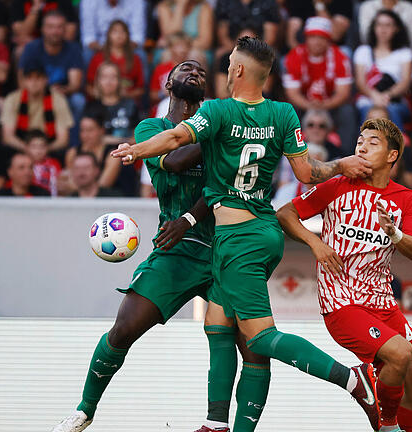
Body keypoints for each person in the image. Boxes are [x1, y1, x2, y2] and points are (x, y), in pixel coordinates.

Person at [112, 36, 383, 431]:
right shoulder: (284, 113)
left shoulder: (219, 112)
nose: (223, 72)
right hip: (256, 231)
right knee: (218, 325)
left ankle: (354, 379)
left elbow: (173, 140)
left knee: (258, 339)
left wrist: (137, 151)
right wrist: (341, 163)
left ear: (237, 70)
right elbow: (308, 175)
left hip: (239, 238)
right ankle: (216, 424)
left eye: (227, 66)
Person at [51, 60, 266, 432]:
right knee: (124, 327)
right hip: (177, 248)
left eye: (200, 70)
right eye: (185, 69)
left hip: (226, 247)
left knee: (253, 347)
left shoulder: (219, 124)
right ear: (169, 83)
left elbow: (222, 188)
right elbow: (177, 161)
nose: (194, 72)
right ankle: (85, 410)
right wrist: (219, 135)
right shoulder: (153, 129)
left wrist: (193, 215)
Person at [276, 118, 412, 432]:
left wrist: (395, 234)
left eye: (373, 142)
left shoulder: (407, 200)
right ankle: (387, 426)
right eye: (360, 140)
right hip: (342, 304)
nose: (362, 145)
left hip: (384, 304)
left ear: (392, 155)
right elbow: (285, 214)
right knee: (399, 353)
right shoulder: (337, 186)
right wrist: (315, 242)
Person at [283, 17, 357, 155]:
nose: (317, 41)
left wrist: (324, 105)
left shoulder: (339, 56)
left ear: (328, 40)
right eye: (312, 37)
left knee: (347, 112)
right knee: (288, 111)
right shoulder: (294, 56)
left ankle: (346, 154)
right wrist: (310, 105)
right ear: (306, 38)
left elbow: (343, 93)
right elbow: (292, 94)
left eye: (322, 37)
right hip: (304, 105)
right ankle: (289, 153)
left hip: (331, 105)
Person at [18, 10, 85, 125]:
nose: (55, 31)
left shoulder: (73, 49)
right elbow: (22, 82)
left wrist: (60, 91)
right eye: (50, 27)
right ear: (42, 29)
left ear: (65, 29)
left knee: (78, 101)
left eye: (59, 27)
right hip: (35, 93)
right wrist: (43, 92)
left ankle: (74, 141)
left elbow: (75, 84)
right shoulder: (31, 48)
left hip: (63, 94)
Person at [352, 10, 412, 131]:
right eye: (379, 24)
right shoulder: (363, 51)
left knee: (391, 111)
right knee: (370, 112)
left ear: (396, 28)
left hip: (394, 101)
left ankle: (396, 148)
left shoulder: (404, 52)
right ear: (373, 28)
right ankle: (365, 149)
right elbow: (360, 82)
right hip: (368, 100)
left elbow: (405, 82)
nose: (383, 29)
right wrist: (374, 96)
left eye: (388, 25)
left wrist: (387, 95)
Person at [1, 65, 74, 153]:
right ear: (23, 81)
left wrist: (42, 150)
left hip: (49, 147)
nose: (34, 82)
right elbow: (8, 137)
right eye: (29, 78)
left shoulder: (58, 99)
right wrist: (30, 150)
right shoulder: (12, 98)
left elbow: (63, 140)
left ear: (46, 80)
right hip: (21, 146)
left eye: (38, 78)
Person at [63, 113, 121, 194]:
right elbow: (70, 181)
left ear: (102, 130)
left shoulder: (113, 155)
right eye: (82, 130)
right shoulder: (72, 153)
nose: (85, 135)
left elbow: (103, 186)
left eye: (90, 130)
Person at [86, 20, 145, 101]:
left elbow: (140, 89)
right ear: (108, 35)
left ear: (128, 35)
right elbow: (89, 86)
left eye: (122, 32)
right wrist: (102, 95)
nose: (119, 35)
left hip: (127, 102)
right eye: (115, 32)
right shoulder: (98, 58)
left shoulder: (135, 59)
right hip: (102, 102)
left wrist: (127, 94)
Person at [85, 62, 139, 145]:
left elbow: (137, 138)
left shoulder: (130, 105)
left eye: (113, 77)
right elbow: (88, 139)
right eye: (104, 77)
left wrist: (113, 141)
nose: (108, 82)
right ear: (98, 81)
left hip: (127, 153)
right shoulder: (91, 107)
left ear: (119, 80)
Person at [79, 0, 145, 57]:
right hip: (99, 47)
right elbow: (89, 38)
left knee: (140, 54)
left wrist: (119, 49)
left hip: (126, 46)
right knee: (87, 55)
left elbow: (137, 37)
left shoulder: (137, 1)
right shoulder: (88, 1)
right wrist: (108, 50)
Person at [271, 142, 329, 209]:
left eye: (316, 164)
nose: (312, 169)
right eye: (308, 164)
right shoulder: (286, 191)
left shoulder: (331, 192)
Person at [214, 0, 280, 54]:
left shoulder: (268, 2)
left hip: (260, 49)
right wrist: (237, 52)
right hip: (232, 48)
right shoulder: (224, 2)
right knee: (220, 53)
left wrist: (255, 52)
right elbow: (223, 37)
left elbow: (270, 38)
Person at [285, 0, 353, 49]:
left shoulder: (343, 2)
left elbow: (335, 35)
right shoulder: (299, 2)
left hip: (333, 50)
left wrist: (319, 5)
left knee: (345, 51)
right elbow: (291, 40)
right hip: (305, 50)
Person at [10, 0, 78, 49]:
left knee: (73, 49)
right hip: (29, 48)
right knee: (20, 51)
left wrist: (38, 43)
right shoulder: (18, 2)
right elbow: (22, 33)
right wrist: (36, 8)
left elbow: (69, 35)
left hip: (58, 46)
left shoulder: (64, 2)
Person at [150, 32, 192, 106]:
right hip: (164, 108)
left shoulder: (194, 70)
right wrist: (165, 93)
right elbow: (153, 95)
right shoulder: (161, 69)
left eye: (186, 46)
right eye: (179, 46)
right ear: (170, 48)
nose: (183, 50)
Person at [25, 130, 61, 195]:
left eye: (42, 146)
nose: (38, 151)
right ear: (27, 148)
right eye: (34, 147)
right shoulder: (23, 165)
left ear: (47, 148)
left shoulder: (54, 164)